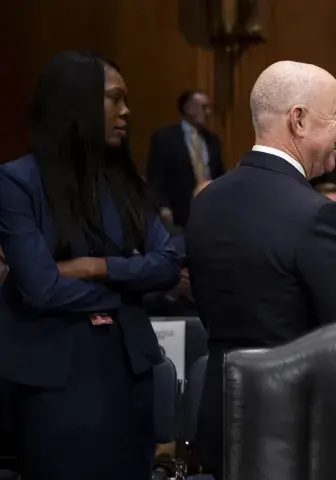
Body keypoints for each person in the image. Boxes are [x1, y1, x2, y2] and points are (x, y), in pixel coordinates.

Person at [185, 60, 336, 476]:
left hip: (222, 421)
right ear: (299, 120)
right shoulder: (317, 215)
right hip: (296, 433)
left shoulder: (206, 202)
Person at [0, 51, 181, 480]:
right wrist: (129, 283)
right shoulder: (16, 182)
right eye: (115, 99)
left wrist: (96, 267)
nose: (126, 112)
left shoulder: (127, 184)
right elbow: (42, 288)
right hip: (56, 381)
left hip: (128, 373)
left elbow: (170, 264)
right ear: (77, 103)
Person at [147, 90, 225, 229]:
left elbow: (219, 175)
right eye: (204, 107)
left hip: (211, 212)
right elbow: (155, 178)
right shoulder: (165, 138)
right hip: (178, 215)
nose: (208, 113)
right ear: (188, 108)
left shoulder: (212, 139)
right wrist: (162, 206)